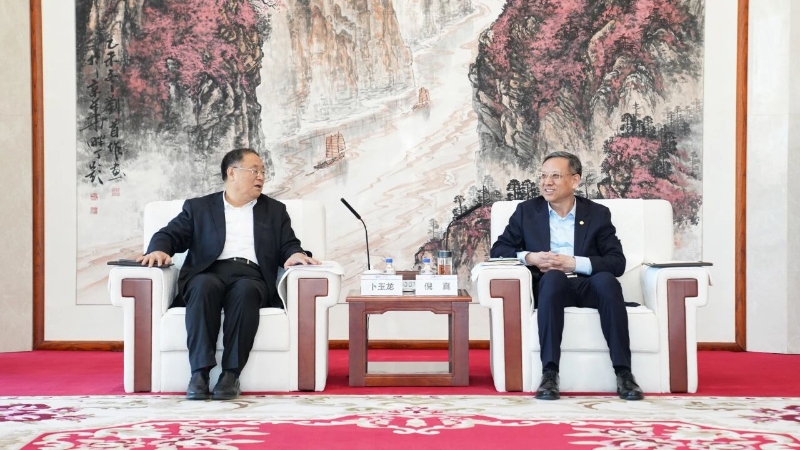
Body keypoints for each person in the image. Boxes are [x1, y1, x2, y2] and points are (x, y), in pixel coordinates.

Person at [137, 148, 320, 400]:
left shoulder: (274, 210)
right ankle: (199, 373)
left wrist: (294, 254)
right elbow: (170, 234)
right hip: (207, 272)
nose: (261, 176)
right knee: (203, 287)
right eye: (254, 170)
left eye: (263, 171)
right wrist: (158, 249)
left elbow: (288, 244)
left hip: (250, 276)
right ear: (232, 172)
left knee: (246, 292)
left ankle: (230, 375)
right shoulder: (199, 208)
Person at [490, 151, 644, 401]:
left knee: (607, 280)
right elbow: (498, 250)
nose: (546, 182)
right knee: (553, 278)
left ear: (575, 180)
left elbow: (617, 262)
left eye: (555, 176)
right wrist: (530, 257)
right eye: (543, 176)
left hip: (588, 285)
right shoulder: (527, 211)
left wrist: (574, 263)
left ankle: (624, 373)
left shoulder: (597, 214)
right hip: (550, 288)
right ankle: (550, 374)